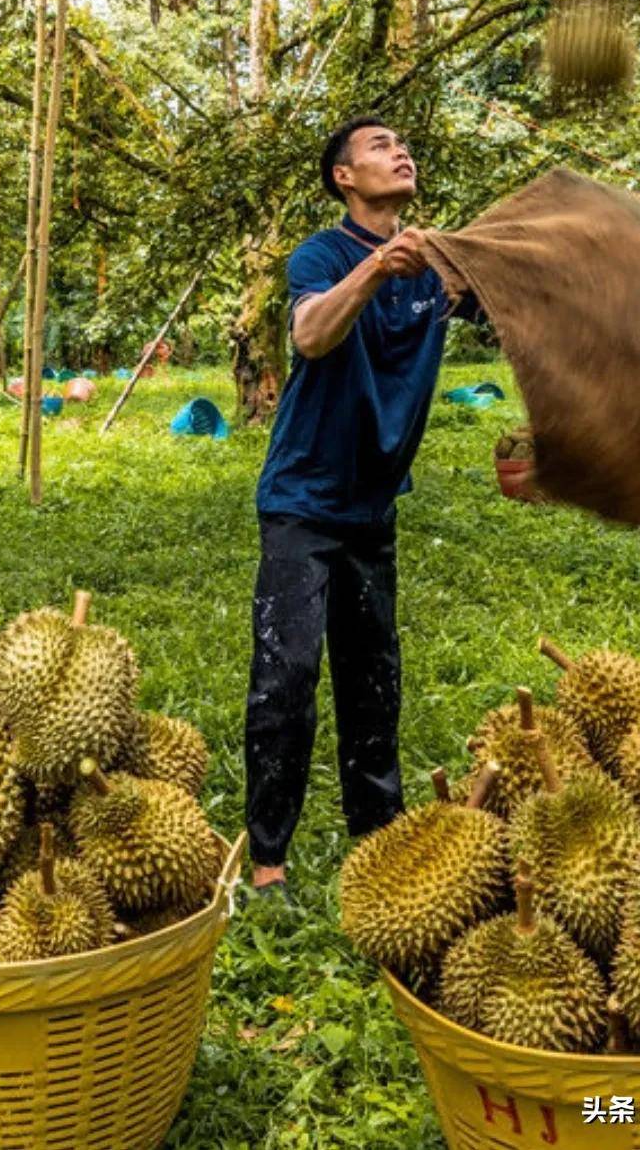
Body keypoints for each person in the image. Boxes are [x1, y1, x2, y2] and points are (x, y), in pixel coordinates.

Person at [244, 114, 486, 903]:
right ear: (344, 177)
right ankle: (270, 860)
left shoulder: (438, 267)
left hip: (372, 508)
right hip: (302, 500)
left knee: (373, 676)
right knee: (286, 674)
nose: (400, 150)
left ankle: (378, 839)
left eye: (401, 142)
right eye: (380, 146)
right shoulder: (322, 255)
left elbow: (524, 307)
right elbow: (311, 335)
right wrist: (380, 267)